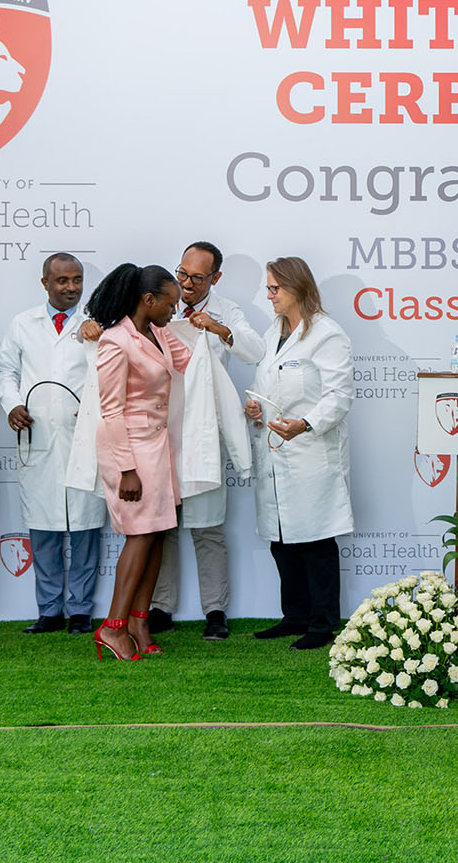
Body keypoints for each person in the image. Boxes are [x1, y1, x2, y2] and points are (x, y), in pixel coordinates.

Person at [146, 241, 264, 642]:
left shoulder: (227, 311)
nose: (187, 284)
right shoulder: (159, 304)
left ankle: (215, 610)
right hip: (161, 428)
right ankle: (161, 607)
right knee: (164, 525)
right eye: (182, 274)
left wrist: (218, 328)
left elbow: (254, 351)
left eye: (197, 277)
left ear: (216, 278)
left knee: (207, 526)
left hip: (202, 432)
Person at [243, 257, 353, 651]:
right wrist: (257, 410)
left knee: (316, 540)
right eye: (268, 288)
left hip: (309, 450)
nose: (268, 295)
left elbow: (339, 397)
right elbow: (270, 385)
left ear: (297, 289)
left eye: (275, 288)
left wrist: (304, 424)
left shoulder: (327, 334)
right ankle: (294, 616)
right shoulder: (274, 331)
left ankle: (323, 623)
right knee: (281, 538)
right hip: (276, 449)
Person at [0, 253, 105, 636]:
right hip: (37, 437)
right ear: (45, 283)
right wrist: (13, 404)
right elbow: (6, 370)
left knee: (85, 530)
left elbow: (106, 373)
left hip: (81, 438)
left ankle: (79, 611)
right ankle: (49, 611)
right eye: (62, 281)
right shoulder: (24, 323)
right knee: (43, 530)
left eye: (76, 280)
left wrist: (93, 407)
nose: (71, 287)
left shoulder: (95, 325)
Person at [90, 263, 191, 661]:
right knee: (140, 535)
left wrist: (213, 330)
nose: (175, 311)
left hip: (158, 443)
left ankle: (138, 620)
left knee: (159, 532)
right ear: (148, 300)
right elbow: (110, 411)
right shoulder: (116, 341)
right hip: (129, 447)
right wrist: (126, 469)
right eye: (170, 303)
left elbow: (189, 362)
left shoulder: (160, 333)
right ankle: (112, 628)